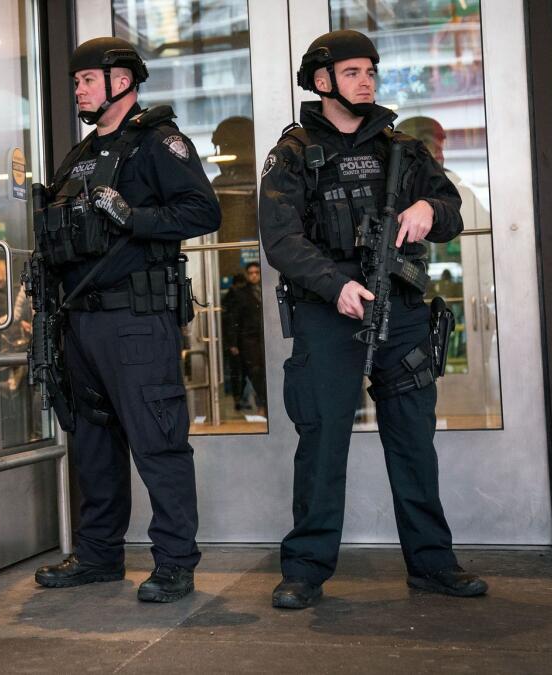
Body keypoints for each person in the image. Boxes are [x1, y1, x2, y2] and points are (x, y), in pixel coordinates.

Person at [259, 29, 488, 609]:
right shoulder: (292, 154)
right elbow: (281, 239)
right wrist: (336, 286)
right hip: (328, 311)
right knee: (322, 441)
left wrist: (427, 208)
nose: (366, 81)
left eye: (371, 72)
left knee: (413, 440)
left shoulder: (402, 149)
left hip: (402, 308)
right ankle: (306, 569)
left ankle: (433, 564)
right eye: (353, 72)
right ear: (322, 80)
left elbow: (453, 212)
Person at [31, 37, 221, 603]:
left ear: (122, 81)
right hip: (80, 321)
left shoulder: (159, 143)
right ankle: (98, 555)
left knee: (157, 441)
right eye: (77, 81)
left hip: (136, 320)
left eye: (89, 79)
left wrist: (133, 216)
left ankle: (174, 562)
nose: (80, 89)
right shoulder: (81, 154)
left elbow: (203, 210)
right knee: (93, 444)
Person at [222, 262, 266, 414]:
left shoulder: (266, 290)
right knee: (255, 372)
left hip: (265, 338)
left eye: (257, 272)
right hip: (248, 340)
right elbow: (234, 319)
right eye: (251, 273)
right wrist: (233, 343)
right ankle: (262, 404)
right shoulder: (241, 293)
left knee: (264, 371)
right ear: (247, 275)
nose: (254, 275)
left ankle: (263, 404)